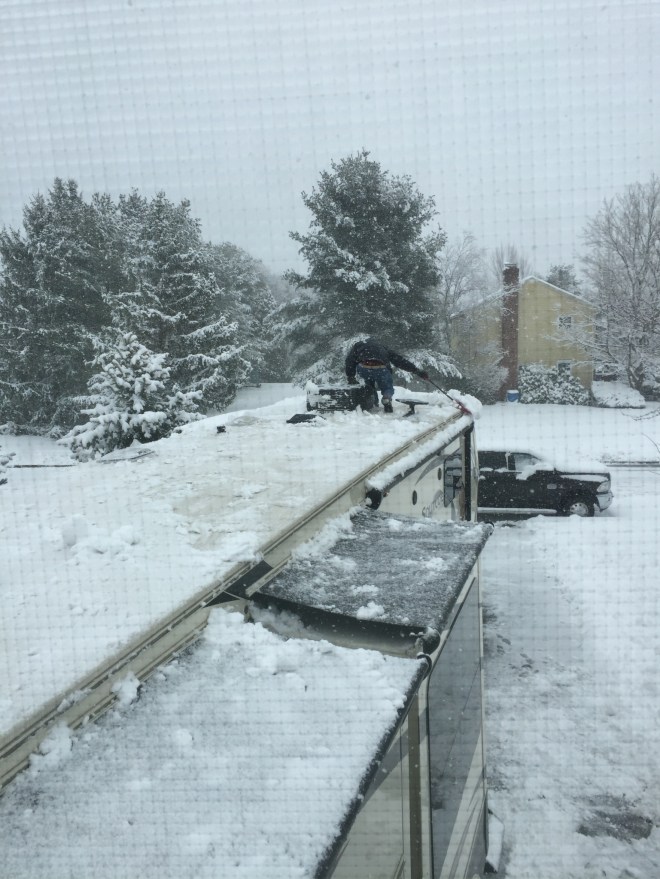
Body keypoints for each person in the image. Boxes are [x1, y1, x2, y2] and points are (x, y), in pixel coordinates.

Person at [345, 337, 430, 413]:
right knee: (387, 387)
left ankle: (373, 402)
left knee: (369, 385)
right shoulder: (383, 347)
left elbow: (350, 361)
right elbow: (399, 361)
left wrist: (350, 376)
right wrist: (416, 370)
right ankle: (387, 398)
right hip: (380, 367)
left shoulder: (358, 346)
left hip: (364, 367)